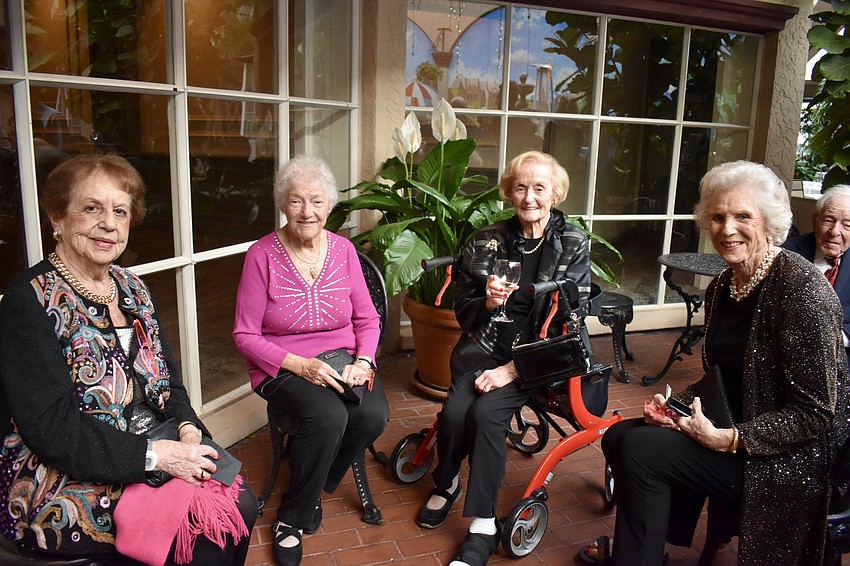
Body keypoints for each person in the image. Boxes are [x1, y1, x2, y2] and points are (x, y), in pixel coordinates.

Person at [581, 161, 850, 565]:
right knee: (620, 437)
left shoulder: (802, 292)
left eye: (743, 216)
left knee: (638, 450)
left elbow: (816, 414)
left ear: (770, 223)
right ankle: (644, 551)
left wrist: (728, 438)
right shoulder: (726, 285)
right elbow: (724, 376)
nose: (727, 229)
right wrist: (675, 404)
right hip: (733, 422)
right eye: (718, 216)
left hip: (783, 457)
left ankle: (636, 557)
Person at [0, 153, 257, 565]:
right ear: (57, 217)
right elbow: (54, 432)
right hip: (66, 475)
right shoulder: (28, 301)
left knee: (238, 501)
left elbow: (170, 382)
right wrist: (161, 458)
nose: (109, 223)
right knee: (203, 534)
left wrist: (189, 428)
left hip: (152, 442)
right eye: (91, 208)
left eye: (120, 211)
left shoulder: (131, 287)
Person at [417, 150, 591, 566]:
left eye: (539, 188)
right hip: (485, 347)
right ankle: (447, 482)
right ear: (509, 193)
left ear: (556, 193)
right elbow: (463, 306)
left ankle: (482, 526)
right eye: (520, 187)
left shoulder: (572, 242)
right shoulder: (487, 239)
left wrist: (512, 370)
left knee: (488, 415)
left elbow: (574, 317)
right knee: (456, 411)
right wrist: (489, 302)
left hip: (538, 356)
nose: (529, 197)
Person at [232, 155, 389, 566]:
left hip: (342, 357)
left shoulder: (344, 250)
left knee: (373, 416)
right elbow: (245, 335)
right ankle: (293, 516)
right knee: (329, 417)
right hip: (282, 364)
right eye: (297, 201)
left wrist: (365, 361)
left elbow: (367, 318)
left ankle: (315, 480)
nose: (307, 212)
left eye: (317, 201)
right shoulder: (261, 255)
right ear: (284, 204)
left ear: (330, 205)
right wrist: (300, 365)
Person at [783, 184, 850, 360]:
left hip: (843, 362)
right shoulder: (786, 254)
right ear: (815, 221)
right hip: (787, 358)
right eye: (828, 220)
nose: (835, 232)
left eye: (847, 225)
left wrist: (836, 338)